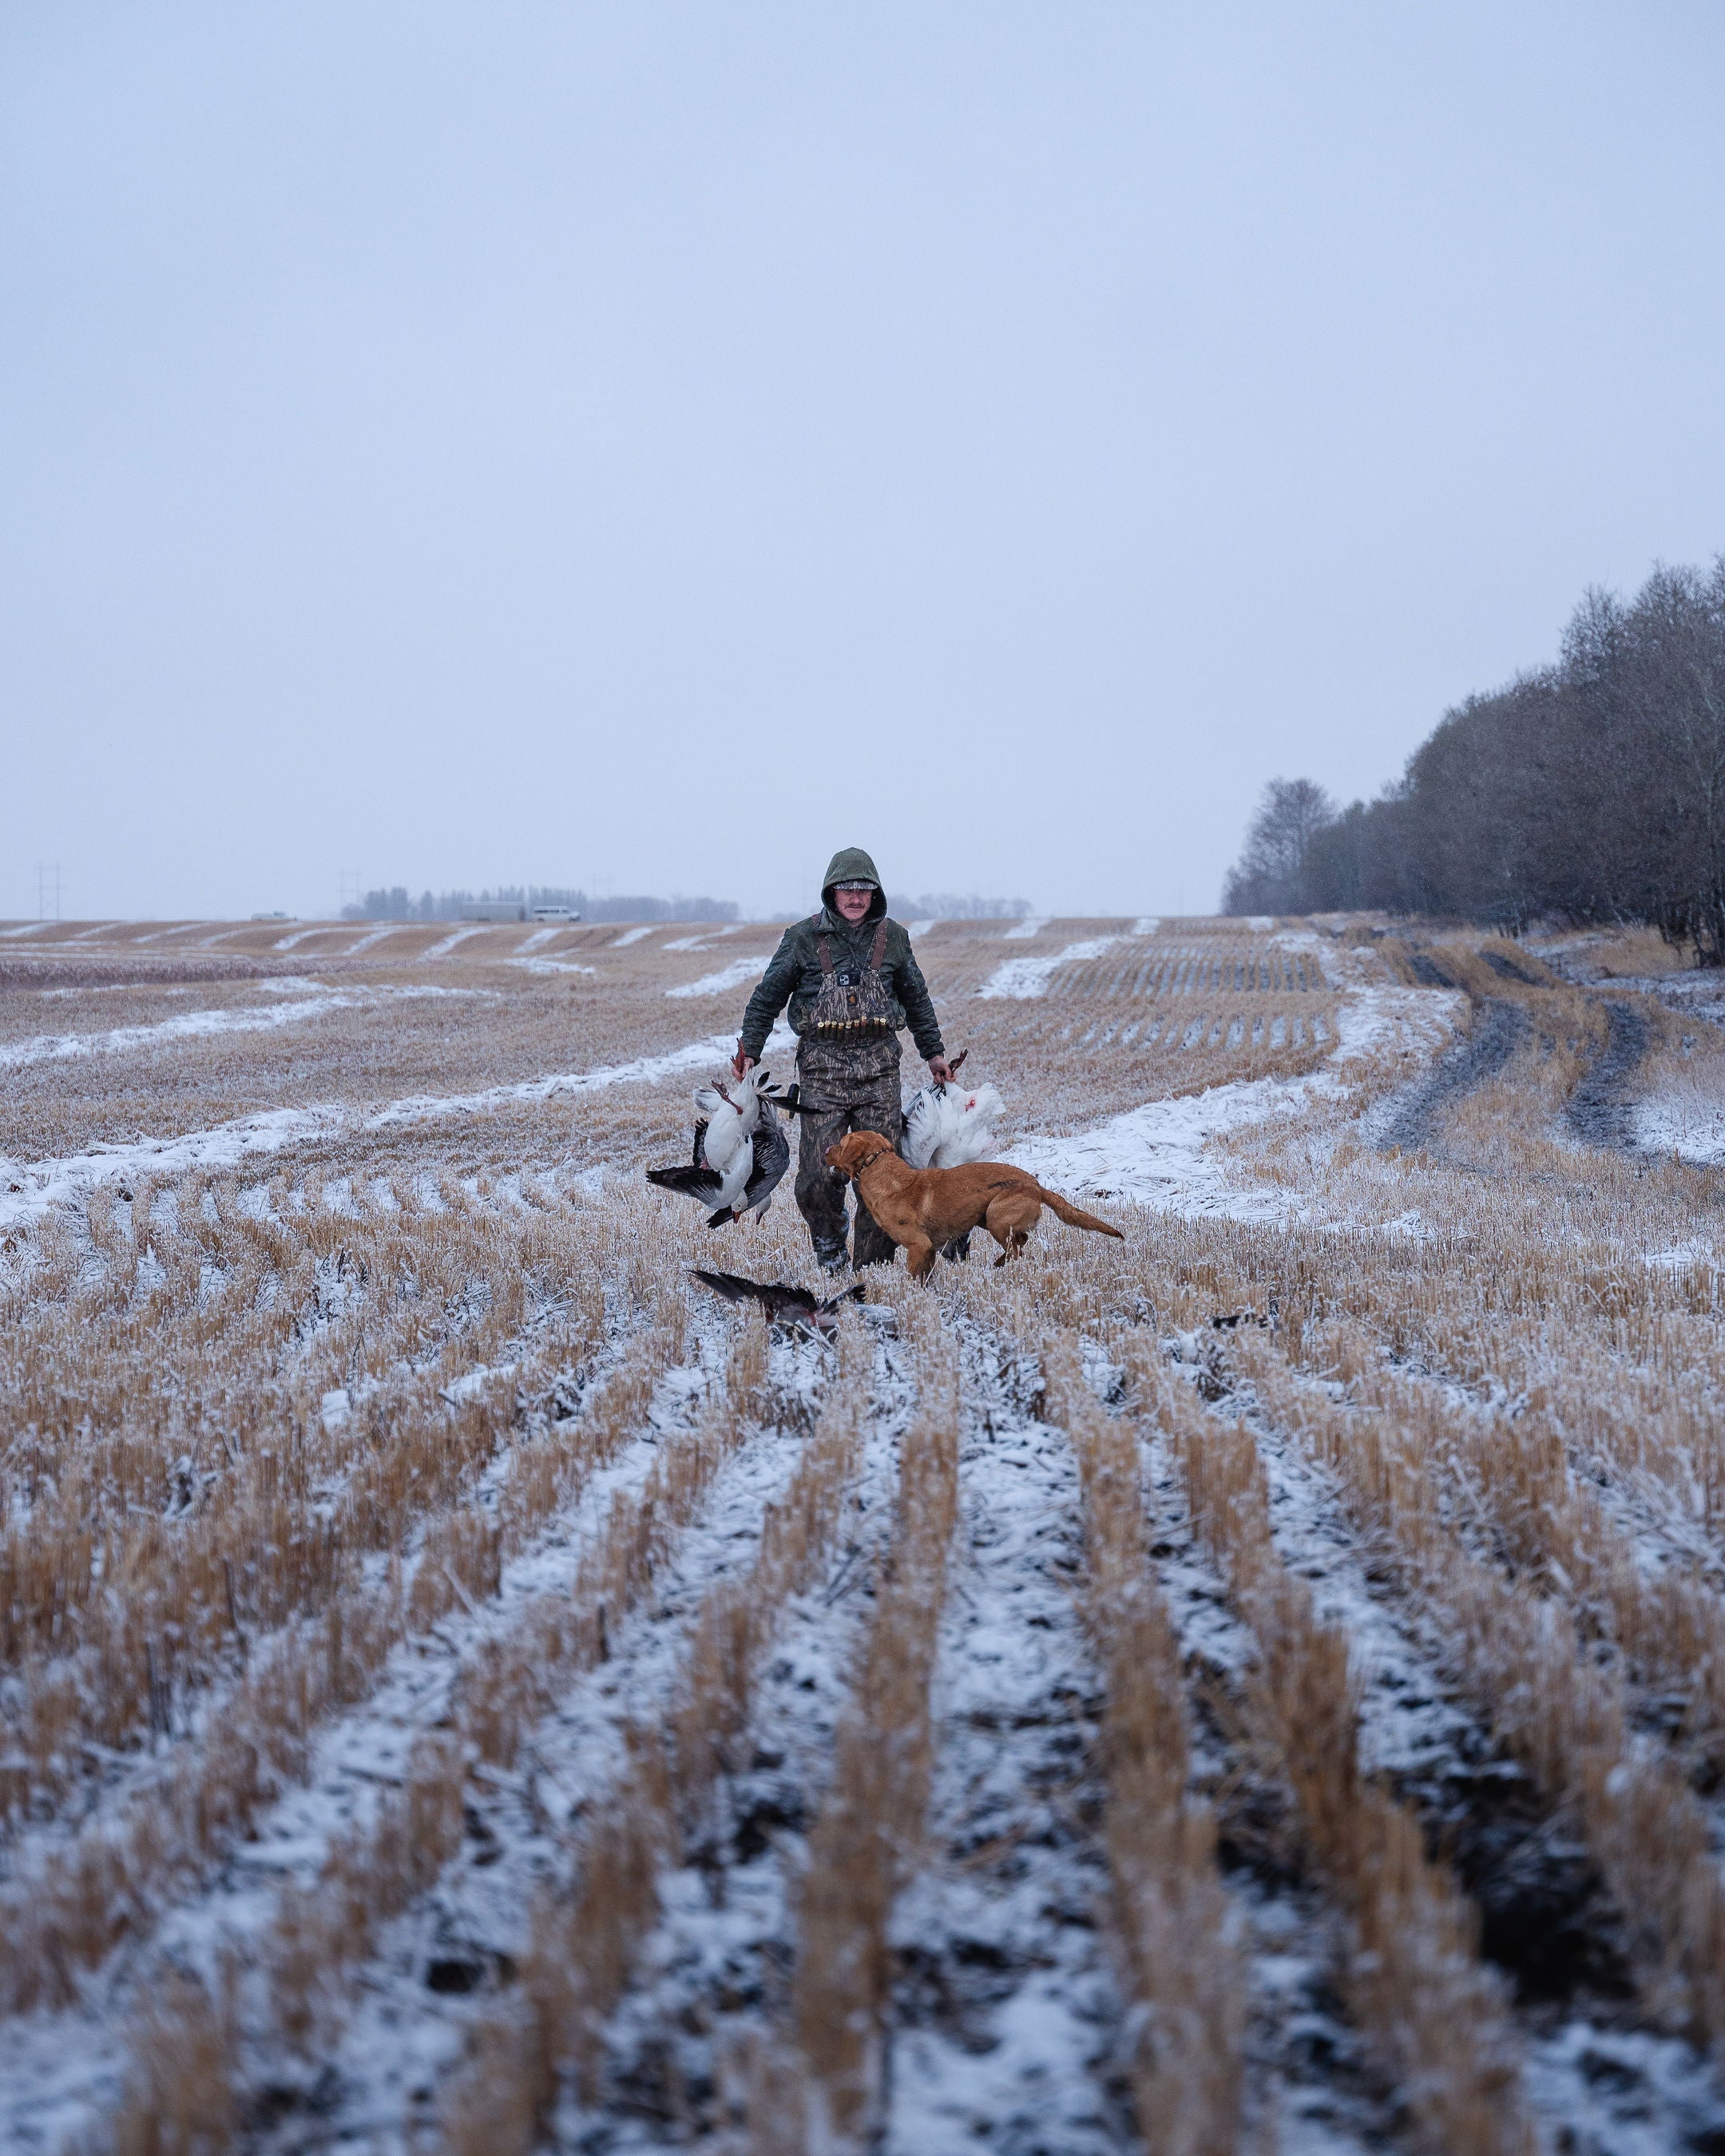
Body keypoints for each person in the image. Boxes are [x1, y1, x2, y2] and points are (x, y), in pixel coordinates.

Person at [733, 848, 950, 1271]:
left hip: (879, 1073)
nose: (856, 896)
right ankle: (830, 1246)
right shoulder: (802, 938)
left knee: (885, 1179)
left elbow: (916, 999)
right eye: (847, 888)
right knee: (817, 1177)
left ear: (876, 892)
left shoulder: (894, 938)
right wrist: (749, 1050)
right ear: (831, 892)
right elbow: (767, 998)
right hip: (822, 1072)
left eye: (864, 888)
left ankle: (870, 1266)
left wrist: (934, 1052)